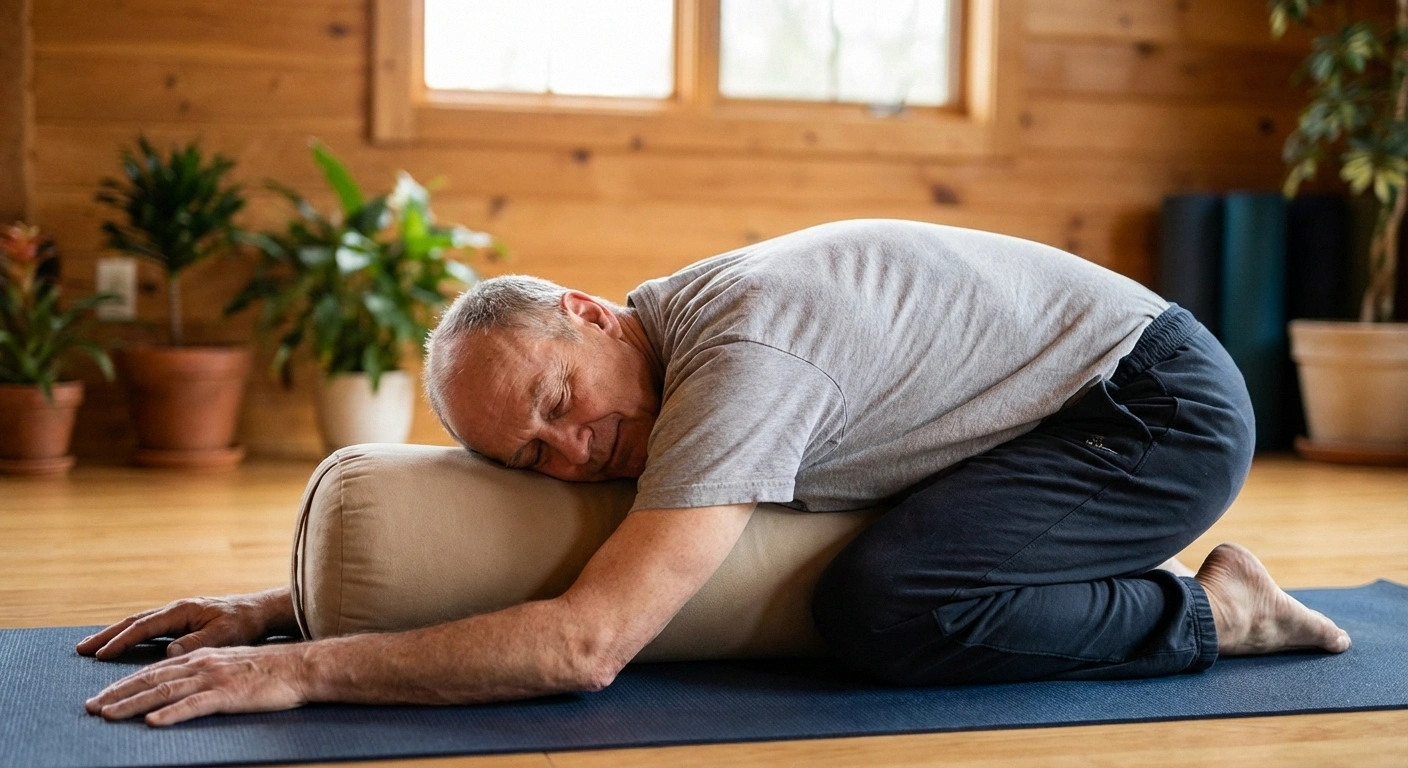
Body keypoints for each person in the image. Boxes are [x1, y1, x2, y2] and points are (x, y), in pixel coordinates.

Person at [80, 220, 1350, 726]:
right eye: (529, 456)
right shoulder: (652, 364)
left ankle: (1216, 611)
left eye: (558, 405)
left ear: (590, 314)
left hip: (1149, 408)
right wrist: (287, 605)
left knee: (888, 607)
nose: (570, 454)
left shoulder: (738, 354)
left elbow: (586, 646)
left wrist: (300, 673)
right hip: (1023, 417)